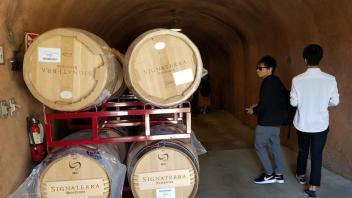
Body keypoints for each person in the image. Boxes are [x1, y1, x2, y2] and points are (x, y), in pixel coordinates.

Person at [290, 44, 339, 198]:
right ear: (320, 58)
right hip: (321, 124)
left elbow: (293, 103)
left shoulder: (297, 80)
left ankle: (301, 174)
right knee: (317, 154)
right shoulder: (330, 79)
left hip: (303, 123)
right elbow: (335, 102)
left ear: (305, 60)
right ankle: (312, 188)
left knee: (303, 150)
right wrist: (324, 104)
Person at [245, 56, 286, 184]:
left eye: (260, 68)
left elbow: (266, 105)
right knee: (275, 147)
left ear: (270, 69)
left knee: (259, 146)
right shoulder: (277, 81)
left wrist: (254, 111)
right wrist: (258, 105)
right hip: (276, 121)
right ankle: (279, 174)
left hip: (266, 122)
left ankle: (268, 175)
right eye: (257, 67)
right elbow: (276, 100)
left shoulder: (267, 82)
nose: (257, 70)